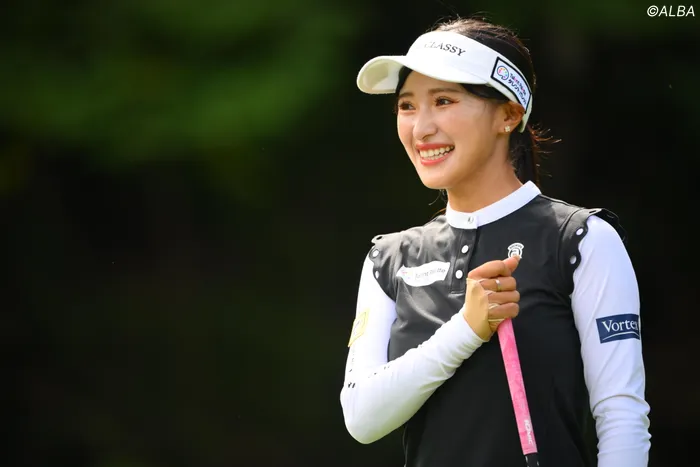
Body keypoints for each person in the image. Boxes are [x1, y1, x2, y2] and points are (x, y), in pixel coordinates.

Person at [339, 16, 651, 467]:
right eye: (407, 106)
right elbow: (362, 418)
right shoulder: (388, 258)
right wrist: (466, 330)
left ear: (509, 114)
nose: (421, 128)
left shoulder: (580, 240)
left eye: (443, 101)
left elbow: (622, 418)